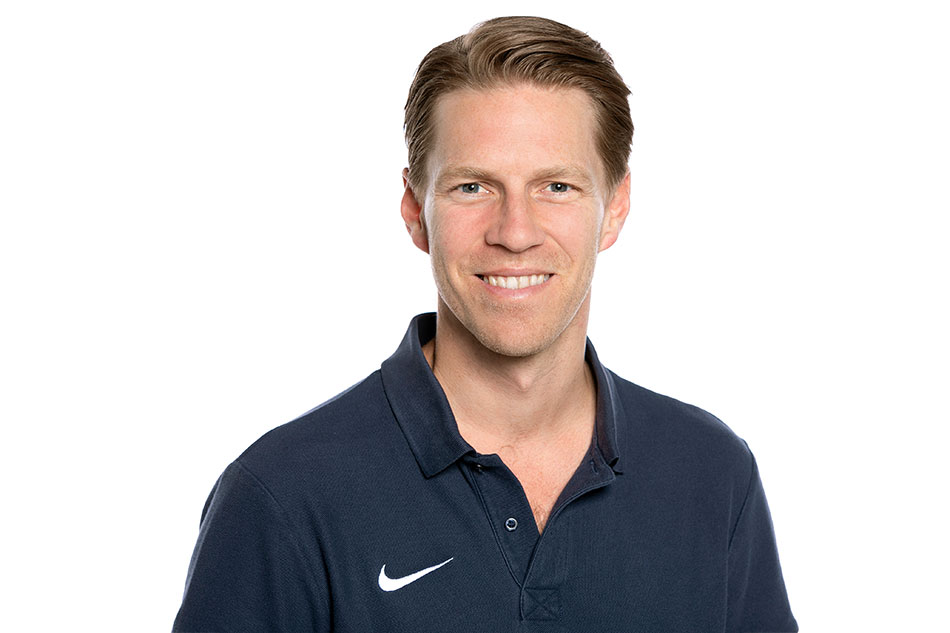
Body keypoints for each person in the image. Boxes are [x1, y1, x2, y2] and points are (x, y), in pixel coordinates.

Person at [173, 16, 797, 632]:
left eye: (557, 186)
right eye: (473, 187)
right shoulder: (283, 496)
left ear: (615, 208)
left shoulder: (712, 473)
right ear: (415, 211)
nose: (515, 233)